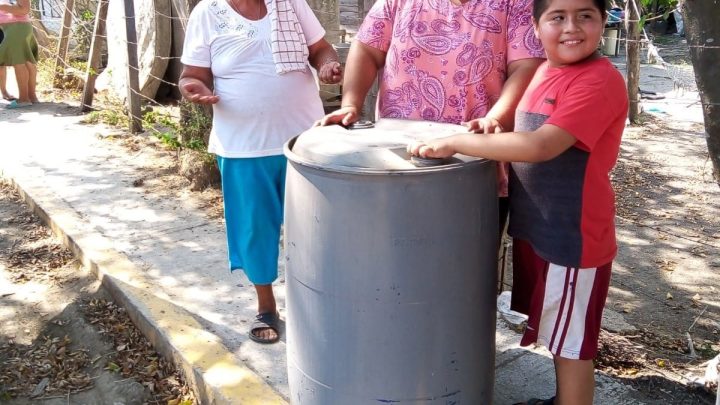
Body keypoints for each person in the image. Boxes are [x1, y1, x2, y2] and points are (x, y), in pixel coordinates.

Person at [408, 0, 627, 404]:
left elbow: (542, 145)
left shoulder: (599, 80)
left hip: (573, 240)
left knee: (571, 347)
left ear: (603, 22)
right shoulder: (547, 71)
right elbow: (525, 127)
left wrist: (458, 142)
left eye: (586, 16)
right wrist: (494, 123)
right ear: (536, 24)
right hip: (543, 233)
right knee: (558, 333)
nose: (571, 27)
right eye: (557, 17)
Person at [180, 0, 342, 344]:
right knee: (255, 229)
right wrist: (194, 89)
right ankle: (266, 306)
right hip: (243, 146)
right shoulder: (208, 13)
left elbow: (320, 49)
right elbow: (192, 75)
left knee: (318, 228)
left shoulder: (291, 3)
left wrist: (328, 64)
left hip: (304, 142)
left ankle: (317, 302)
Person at [317, 0, 546, 237]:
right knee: (391, 250)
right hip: (397, 161)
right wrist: (350, 104)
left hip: (475, 163)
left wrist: (497, 119)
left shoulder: (515, 4)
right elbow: (366, 48)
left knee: (465, 260)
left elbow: (526, 67)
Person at [0, 0, 39, 109]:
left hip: (16, 27)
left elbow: (24, 9)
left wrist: (2, 6)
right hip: (15, 27)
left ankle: (23, 99)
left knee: (19, 62)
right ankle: (31, 97)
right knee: (26, 62)